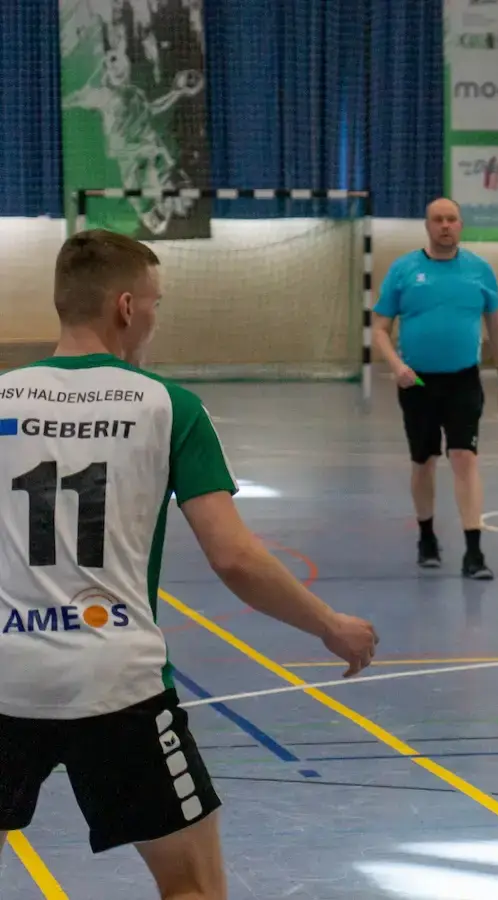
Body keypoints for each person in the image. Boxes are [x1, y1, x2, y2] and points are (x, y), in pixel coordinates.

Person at [0, 230, 379, 900]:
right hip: (117, 684)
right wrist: (329, 625)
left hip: (5, 673)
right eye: (155, 302)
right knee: (191, 886)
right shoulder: (167, 406)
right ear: (125, 307)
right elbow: (234, 557)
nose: (155, 315)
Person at [372, 197, 498, 577]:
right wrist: (397, 366)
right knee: (424, 461)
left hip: (463, 380)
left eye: (452, 219)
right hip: (417, 382)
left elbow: (497, 327)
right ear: (428, 226)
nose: (445, 225)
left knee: (465, 457)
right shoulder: (404, 270)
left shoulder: (479, 270)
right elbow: (380, 328)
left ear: (461, 225)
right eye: (438, 219)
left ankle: (474, 551)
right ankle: (427, 537)